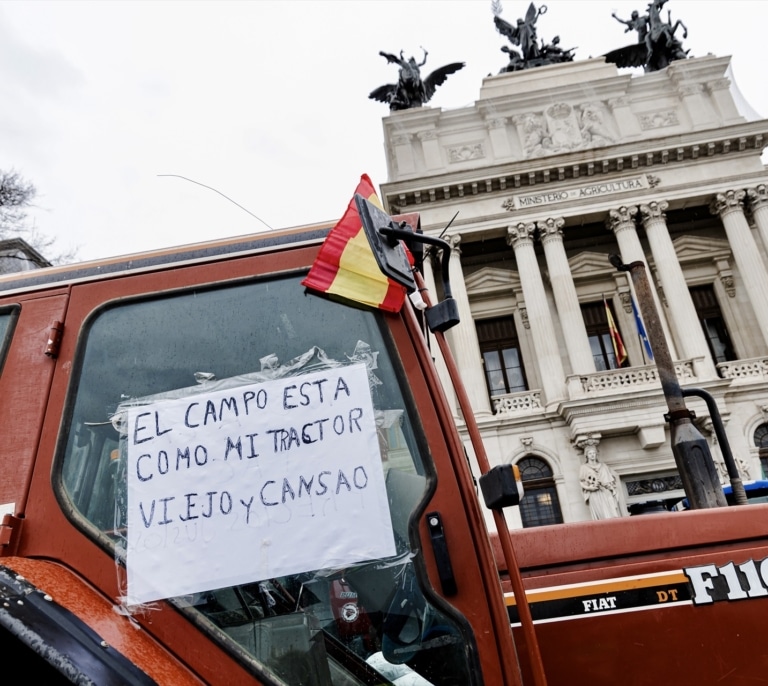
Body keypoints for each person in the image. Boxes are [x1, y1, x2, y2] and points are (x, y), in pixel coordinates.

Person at [579, 445, 624, 520]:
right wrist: (590, 488)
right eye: (590, 453)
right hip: (594, 494)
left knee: (611, 514)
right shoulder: (584, 467)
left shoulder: (603, 466)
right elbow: (582, 482)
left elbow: (610, 481)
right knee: (601, 516)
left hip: (605, 492)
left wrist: (610, 487)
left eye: (594, 453)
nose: (592, 455)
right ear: (586, 455)